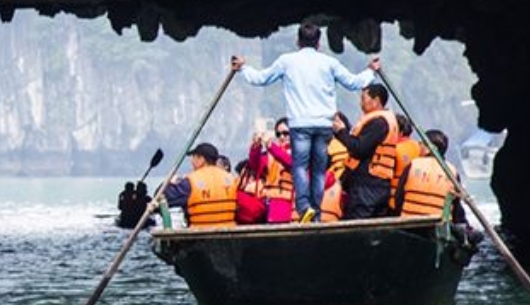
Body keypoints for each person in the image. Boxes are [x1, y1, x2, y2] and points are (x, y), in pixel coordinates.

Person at [230, 25, 378, 222]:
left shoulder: (287, 61)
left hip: (300, 124)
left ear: (298, 42)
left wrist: (243, 69)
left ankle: (303, 207)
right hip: (324, 124)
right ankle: (315, 213)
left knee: (299, 167)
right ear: (318, 43)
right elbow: (353, 82)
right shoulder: (329, 62)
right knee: (318, 170)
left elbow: (261, 79)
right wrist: (370, 71)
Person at [333, 83, 400, 220]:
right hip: (376, 183)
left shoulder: (379, 122)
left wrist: (341, 132)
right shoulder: (384, 120)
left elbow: (360, 148)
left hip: (368, 185)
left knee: (357, 223)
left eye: (364, 98)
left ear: (375, 101)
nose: (361, 103)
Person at [159, 143, 238, 228]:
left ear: (201, 159)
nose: (191, 161)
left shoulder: (192, 181)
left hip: (199, 235)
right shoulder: (232, 179)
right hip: (228, 233)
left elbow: (163, 196)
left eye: (194, 157)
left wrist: (170, 182)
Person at [395, 129, 464, 222]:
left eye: (422, 143)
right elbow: (456, 205)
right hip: (438, 226)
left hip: (409, 223)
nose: (419, 146)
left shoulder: (413, 165)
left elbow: (398, 198)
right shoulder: (452, 171)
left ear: (429, 147)